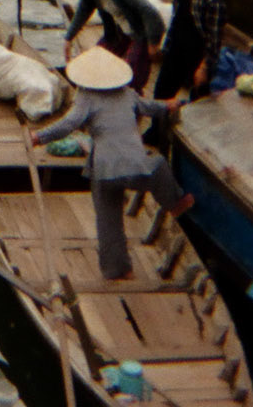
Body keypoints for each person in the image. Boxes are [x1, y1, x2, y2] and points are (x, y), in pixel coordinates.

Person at [34, 46, 192, 281]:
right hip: (134, 168)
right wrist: (169, 105)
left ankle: (118, 270)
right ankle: (175, 202)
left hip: (103, 172)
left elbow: (69, 123)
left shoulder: (85, 97)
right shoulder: (128, 94)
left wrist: (38, 136)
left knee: (108, 222)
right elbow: (151, 108)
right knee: (157, 163)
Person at [62, 0, 166, 92]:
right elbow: (83, 11)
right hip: (116, 31)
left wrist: (153, 43)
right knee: (94, 62)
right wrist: (68, 38)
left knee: (131, 77)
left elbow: (149, 11)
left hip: (139, 32)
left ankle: (133, 107)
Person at [154, 0, 227, 103]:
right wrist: (166, 46)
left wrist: (204, 67)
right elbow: (176, 18)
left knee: (198, 99)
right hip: (177, 47)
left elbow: (214, 38)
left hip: (197, 54)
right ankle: (157, 127)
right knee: (162, 91)